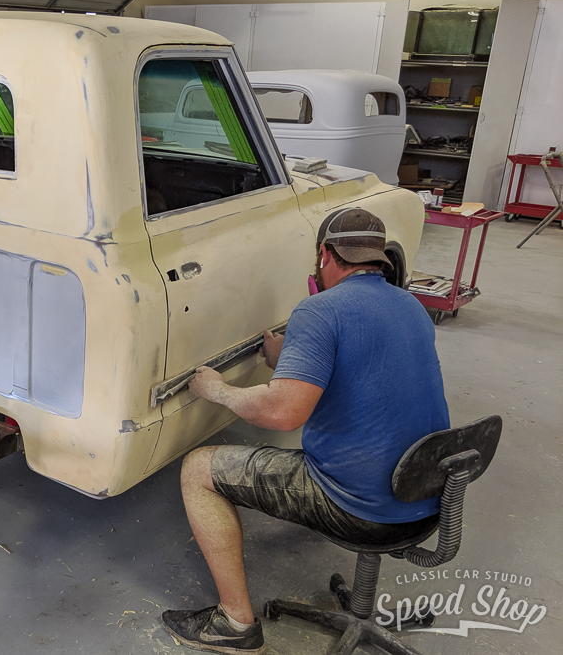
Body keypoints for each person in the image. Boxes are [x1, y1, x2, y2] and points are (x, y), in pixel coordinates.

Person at [161, 208, 450, 654]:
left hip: (362, 509)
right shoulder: (410, 305)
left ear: (324, 255)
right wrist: (291, 356)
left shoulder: (320, 310)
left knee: (198, 469)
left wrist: (216, 390)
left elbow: (282, 415)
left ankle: (234, 625)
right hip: (427, 500)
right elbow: (362, 370)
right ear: (378, 257)